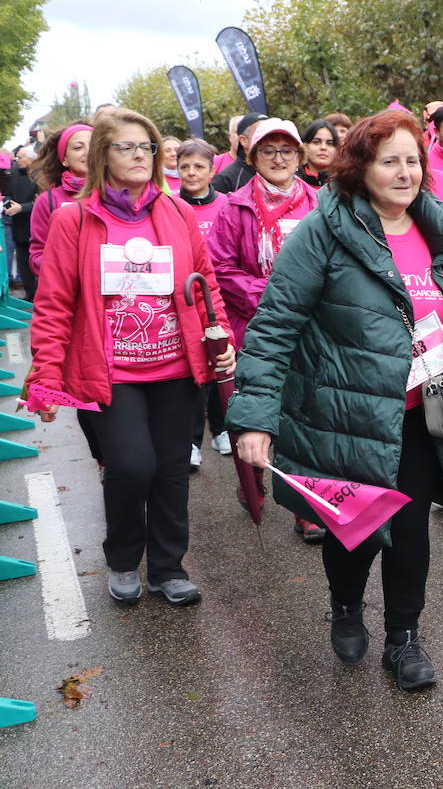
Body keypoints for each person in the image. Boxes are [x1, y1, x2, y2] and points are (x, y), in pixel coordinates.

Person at [228, 109, 443, 691]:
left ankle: (405, 639)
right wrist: (254, 417)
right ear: (359, 167)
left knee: (412, 528)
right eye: (388, 160)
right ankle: (345, 605)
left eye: (412, 160)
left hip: (421, 413)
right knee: (356, 531)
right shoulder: (324, 230)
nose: (404, 172)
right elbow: (275, 324)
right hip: (343, 413)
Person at [27, 108, 235, 607]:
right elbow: (54, 303)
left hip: (176, 368)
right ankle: (123, 558)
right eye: (126, 147)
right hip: (110, 372)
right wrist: (45, 377)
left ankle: (168, 567)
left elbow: (207, 288)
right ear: (102, 155)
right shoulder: (72, 219)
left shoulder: (179, 212)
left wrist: (221, 338)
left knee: (169, 470)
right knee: (131, 465)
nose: (140, 155)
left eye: (146, 146)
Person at [208, 118, 321, 542]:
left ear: (299, 156)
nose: (278, 158)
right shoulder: (233, 207)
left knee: (304, 416)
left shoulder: (320, 204)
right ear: (253, 157)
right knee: (260, 410)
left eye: (287, 150)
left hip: (311, 329)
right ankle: (251, 474)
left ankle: (304, 506)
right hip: (254, 328)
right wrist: (274, 298)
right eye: (269, 151)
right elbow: (220, 268)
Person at [177, 138, 233, 465]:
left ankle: (222, 429)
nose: (191, 173)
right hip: (187, 301)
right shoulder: (169, 206)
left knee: (221, 364)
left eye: (199, 166)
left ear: (212, 171)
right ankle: (192, 440)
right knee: (194, 372)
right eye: (185, 167)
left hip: (220, 298)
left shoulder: (226, 204)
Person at [28, 122, 92, 279]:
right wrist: (68, 269)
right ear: (64, 159)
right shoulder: (47, 200)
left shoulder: (118, 195)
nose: (88, 152)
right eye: (78, 147)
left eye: (94, 145)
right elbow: (37, 257)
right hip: (66, 295)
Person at [6, 145, 38, 300]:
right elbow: (9, 195)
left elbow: (42, 201)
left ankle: (38, 293)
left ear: (31, 159)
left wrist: (22, 207)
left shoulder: (41, 175)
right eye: (17, 157)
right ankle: (29, 293)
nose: (17, 160)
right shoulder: (14, 174)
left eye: (20, 157)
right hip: (19, 225)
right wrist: (8, 206)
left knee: (36, 263)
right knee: (23, 263)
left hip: (36, 226)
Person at [211, 112, 269, 193]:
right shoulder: (224, 179)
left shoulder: (280, 169)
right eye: (259, 133)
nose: (266, 139)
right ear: (243, 140)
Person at [298, 120, 338, 187]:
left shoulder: (344, 184)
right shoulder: (293, 182)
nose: (323, 147)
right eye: (316, 142)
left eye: (329, 143)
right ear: (305, 146)